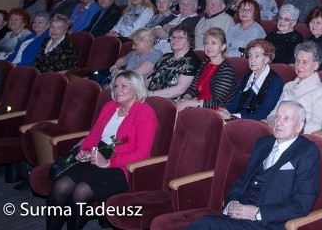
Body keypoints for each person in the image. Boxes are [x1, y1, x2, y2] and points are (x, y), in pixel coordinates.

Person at [46, 70, 156, 230]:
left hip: (122, 166)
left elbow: (142, 153)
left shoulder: (145, 113)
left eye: (124, 86)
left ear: (136, 88)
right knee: (61, 186)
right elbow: (94, 135)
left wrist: (109, 162)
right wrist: (84, 150)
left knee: (80, 192)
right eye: (116, 86)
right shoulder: (110, 106)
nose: (118, 90)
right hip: (97, 155)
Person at [187, 101, 320, 230]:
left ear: (299, 126)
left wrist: (258, 213)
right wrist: (231, 203)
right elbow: (243, 179)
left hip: (268, 223)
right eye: (277, 116)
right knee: (204, 222)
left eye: (286, 118)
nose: (278, 122)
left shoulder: (307, 151)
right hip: (239, 218)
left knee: (206, 224)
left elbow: (302, 204)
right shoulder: (263, 143)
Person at [267, 41, 322, 133]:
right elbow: (274, 113)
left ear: (316, 65)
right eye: (297, 61)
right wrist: (273, 121)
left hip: (300, 137)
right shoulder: (288, 86)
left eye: (305, 62)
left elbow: (317, 125)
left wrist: (291, 130)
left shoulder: (320, 91)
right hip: (278, 131)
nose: (299, 66)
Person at [219, 39, 283, 121]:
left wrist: (233, 117)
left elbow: (264, 112)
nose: (252, 60)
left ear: (267, 58)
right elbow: (236, 100)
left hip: (254, 122)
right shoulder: (247, 76)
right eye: (250, 56)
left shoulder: (275, 81)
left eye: (257, 56)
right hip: (237, 117)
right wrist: (227, 112)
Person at [177, 28, 237, 111]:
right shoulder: (204, 64)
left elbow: (216, 102)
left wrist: (190, 103)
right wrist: (186, 99)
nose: (209, 47)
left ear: (223, 47)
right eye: (206, 43)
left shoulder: (226, 70)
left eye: (214, 43)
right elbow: (192, 89)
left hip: (214, 112)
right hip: (197, 106)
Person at [147, 26, 202, 100]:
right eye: (173, 37)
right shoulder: (165, 57)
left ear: (189, 41)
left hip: (170, 101)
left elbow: (179, 90)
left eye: (180, 38)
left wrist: (151, 94)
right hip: (150, 96)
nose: (175, 40)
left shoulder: (192, 61)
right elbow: (150, 79)